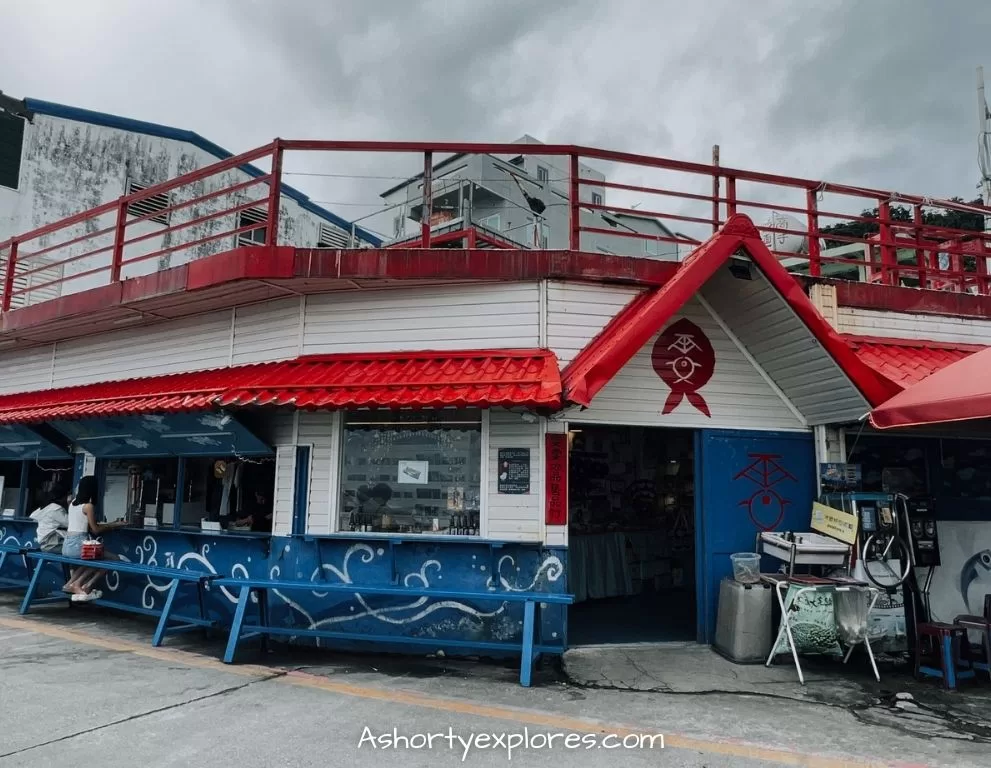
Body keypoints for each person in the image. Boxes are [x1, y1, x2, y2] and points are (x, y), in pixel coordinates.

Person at [62, 475, 128, 601]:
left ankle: (71, 583)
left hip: (67, 545)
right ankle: (82, 585)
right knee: (112, 559)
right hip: (78, 545)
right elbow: (95, 530)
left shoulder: (72, 503)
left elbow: (83, 525)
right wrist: (115, 525)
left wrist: (109, 524)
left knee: (93, 559)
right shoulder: (88, 506)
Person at [29, 486, 69, 553]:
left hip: (44, 544)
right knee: (78, 549)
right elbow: (70, 523)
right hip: (52, 544)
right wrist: (70, 504)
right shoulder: (55, 509)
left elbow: (33, 516)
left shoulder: (45, 508)